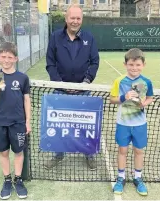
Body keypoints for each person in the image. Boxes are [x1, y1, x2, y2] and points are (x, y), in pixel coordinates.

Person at [45, 4, 99, 170]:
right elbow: (50, 63)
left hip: (84, 91)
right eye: (72, 18)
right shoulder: (55, 37)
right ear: (66, 19)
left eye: (78, 18)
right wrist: (60, 84)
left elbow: (94, 62)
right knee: (60, 126)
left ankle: (88, 154)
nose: (75, 21)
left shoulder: (89, 38)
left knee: (85, 127)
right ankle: (58, 155)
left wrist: (86, 82)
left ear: (81, 20)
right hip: (60, 91)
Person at [0, 42, 31, 199]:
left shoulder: (22, 78)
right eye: (3, 57)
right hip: (0, 122)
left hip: (18, 123)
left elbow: (27, 100)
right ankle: (7, 180)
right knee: (4, 152)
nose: (6, 60)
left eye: (10, 57)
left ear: (16, 59)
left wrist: (28, 121)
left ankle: (18, 180)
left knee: (19, 152)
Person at [110, 48, 154, 196]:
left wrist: (143, 104)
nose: (134, 68)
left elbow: (150, 98)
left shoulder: (147, 82)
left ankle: (138, 178)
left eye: (137, 65)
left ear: (143, 65)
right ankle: (121, 178)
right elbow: (112, 99)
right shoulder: (119, 81)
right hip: (123, 124)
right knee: (122, 150)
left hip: (140, 124)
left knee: (139, 151)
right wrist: (124, 97)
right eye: (131, 65)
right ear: (125, 64)